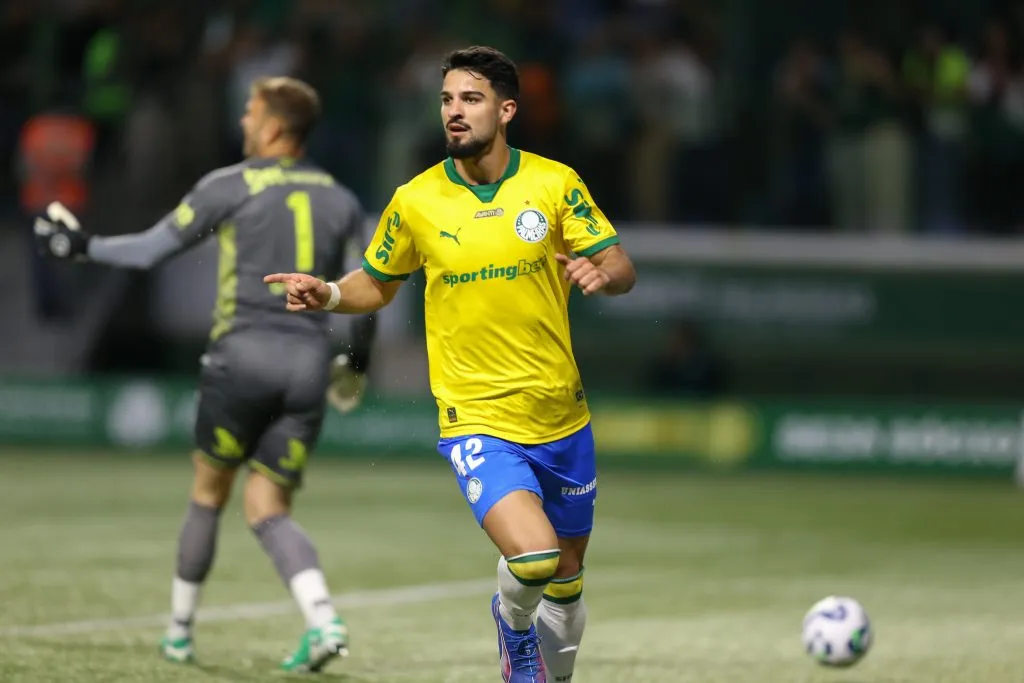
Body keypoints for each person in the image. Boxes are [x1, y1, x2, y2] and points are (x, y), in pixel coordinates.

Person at [266, 46, 636, 683]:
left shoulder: (554, 184)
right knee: (535, 559)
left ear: (506, 108)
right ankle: (511, 628)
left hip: (560, 415)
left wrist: (600, 272)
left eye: (470, 99)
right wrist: (327, 292)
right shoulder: (417, 199)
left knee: (568, 576)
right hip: (478, 417)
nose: (454, 112)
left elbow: (623, 267)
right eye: (446, 100)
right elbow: (378, 282)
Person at [33, 76, 375, 674]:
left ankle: (179, 635)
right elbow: (365, 289)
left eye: (250, 111)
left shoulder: (230, 184)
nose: (243, 121)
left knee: (208, 495)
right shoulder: (341, 198)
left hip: (240, 358)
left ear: (272, 126)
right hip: (305, 366)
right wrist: (353, 365)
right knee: (269, 507)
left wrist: (80, 245)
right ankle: (324, 619)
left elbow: (147, 250)